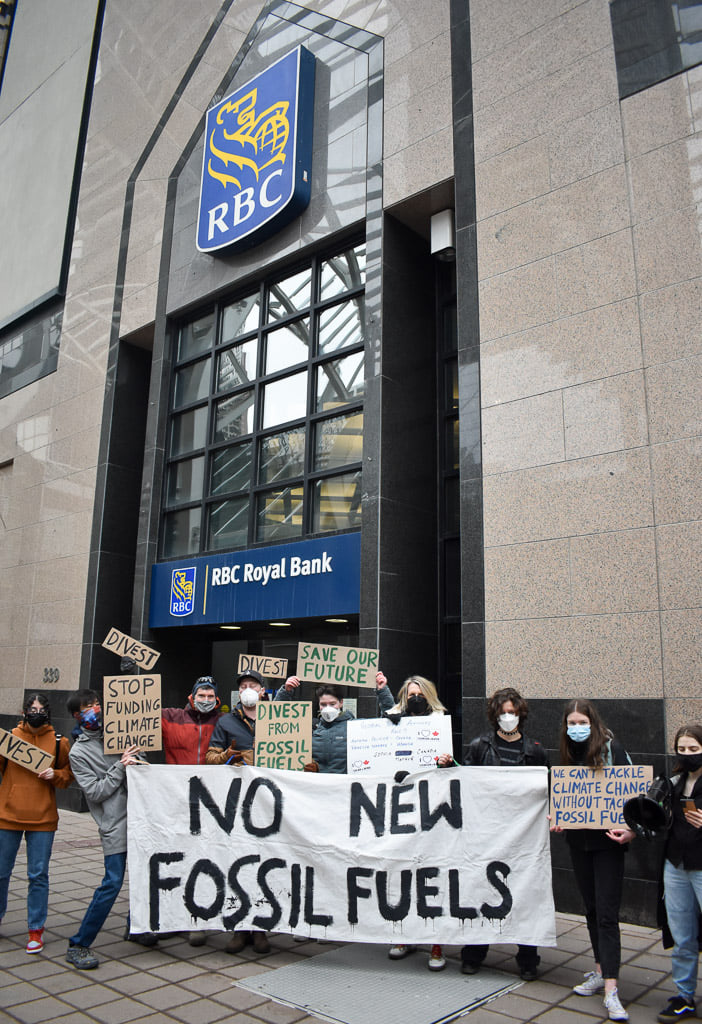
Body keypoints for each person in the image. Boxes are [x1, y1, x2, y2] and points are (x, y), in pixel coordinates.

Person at [449, 686, 548, 981]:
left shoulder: (535, 751)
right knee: (482, 890)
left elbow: (547, 790)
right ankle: (474, 952)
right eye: (503, 713)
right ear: (495, 715)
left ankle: (528, 958)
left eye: (513, 713)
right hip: (487, 833)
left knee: (525, 892)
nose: (508, 717)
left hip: (523, 837)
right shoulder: (480, 746)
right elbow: (466, 782)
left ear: (521, 715)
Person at [553, 699, 635, 1022]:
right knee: (590, 908)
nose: (576, 728)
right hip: (578, 842)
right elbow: (565, 795)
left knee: (606, 914)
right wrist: (560, 815)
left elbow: (633, 792)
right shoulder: (567, 752)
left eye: (581, 722)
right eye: (570, 723)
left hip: (608, 844)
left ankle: (612, 990)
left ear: (592, 721)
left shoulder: (613, 749)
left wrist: (630, 829)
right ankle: (600, 971)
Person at [65, 689, 155, 969]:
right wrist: (120, 765)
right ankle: (79, 943)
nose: (95, 710)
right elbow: (95, 792)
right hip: (115, 825)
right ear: (77, 716)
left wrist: (139, 760)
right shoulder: (79, 752)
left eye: (96, 704)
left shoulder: (120, 736)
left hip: (141, 820)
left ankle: (136, 927)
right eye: (87, 708)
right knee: (112, 883)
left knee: (143, 877)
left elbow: (144, 773)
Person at [0, 693, 73, 954]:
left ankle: (35, 929)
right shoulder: (9, 739)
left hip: (43, 819)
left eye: (41, 708)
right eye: (32, 708)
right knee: (0, 873)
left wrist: (57, 774)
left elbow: (68, 776)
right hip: (7, 816)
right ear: (23, 712)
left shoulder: (58, 742)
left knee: (38, 875)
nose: (36, 712)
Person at [384, 672, 447, 971]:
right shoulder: (393, 721)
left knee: (431, 873)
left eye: (420, 693)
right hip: (402, 807)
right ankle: (404, 935)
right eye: (411, 694)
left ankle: (436, 943)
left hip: (431, 806)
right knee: (402, 871)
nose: (416, 698)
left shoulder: (439, 722)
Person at [206, 670, 270, 955]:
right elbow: (210, 757)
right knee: (238, 864)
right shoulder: (226, 721)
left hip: (270, 804)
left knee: (266, 865)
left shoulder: (279, 719)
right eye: (243, 686)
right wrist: (227, 756)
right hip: (238, 804)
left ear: (263, 690)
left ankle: (261, 929)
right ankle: (238, 928)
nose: (247, 689)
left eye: (252, 685)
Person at [162, 675, 221, 947]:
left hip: (211, 805)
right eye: (202, 695)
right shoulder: (171, 716)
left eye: (210, 696)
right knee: (176, 860)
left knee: (205, 861)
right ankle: (170, 916)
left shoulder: (223, 721)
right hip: (177, 802)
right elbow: (132, 718)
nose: (206, 700)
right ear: (192, 696)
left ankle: (199, 919)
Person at [655, 724, 702, 1023]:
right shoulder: (674, 781)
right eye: (682, 749)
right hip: (676, 865)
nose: (687, 754)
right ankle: (684, 996)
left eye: (693, 749)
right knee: (682, 935)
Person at [274, 672, 394, 773]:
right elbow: (275, 723)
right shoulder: (310, 729)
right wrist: (286, 691)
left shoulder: (356, 727)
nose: (328, 708)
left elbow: (388, 723)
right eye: (323, 704)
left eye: (332, 704)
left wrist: (382, 691)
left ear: (341, 703)